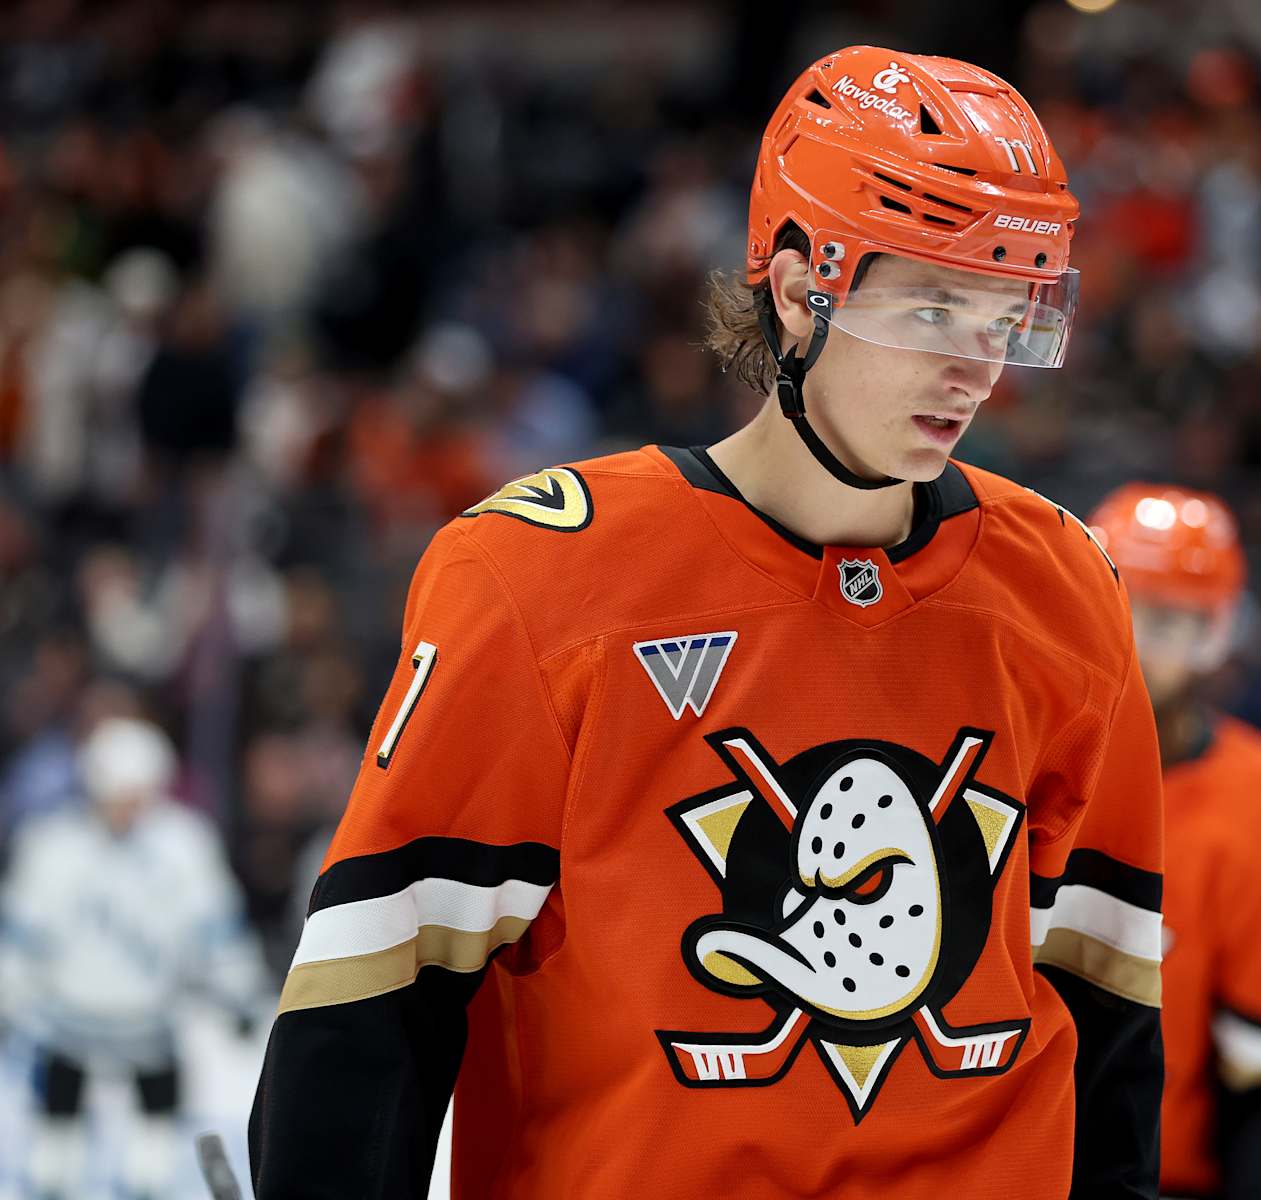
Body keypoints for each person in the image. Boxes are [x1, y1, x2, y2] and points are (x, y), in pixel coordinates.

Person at [250, 46, 1165, 1198]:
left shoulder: (1069, 589)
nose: (973, 369)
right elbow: (375, 1003)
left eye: (1003, 315)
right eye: (933, 304)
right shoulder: (535, 577)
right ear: (795, 290)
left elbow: (1109, 1011)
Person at [1088, 485, 1261, 1200]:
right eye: (1131, 612)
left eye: (1179, 624)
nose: (1146, 648)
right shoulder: (994, 756)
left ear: (1219, 635)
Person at [0, 716, 268, 1200]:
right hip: (67, 1018)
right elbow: (24, 933)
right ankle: (51, 1182)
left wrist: (240, 993)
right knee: (57, 1122)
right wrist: (8, 995)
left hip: (153, 1019)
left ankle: (148, 1184)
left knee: (156, 1128)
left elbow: (216, 930)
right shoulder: (54, 846)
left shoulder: (184, 845)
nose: (125, 807)